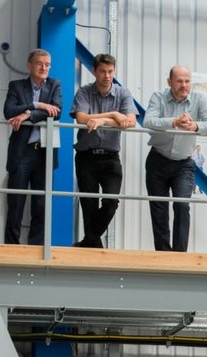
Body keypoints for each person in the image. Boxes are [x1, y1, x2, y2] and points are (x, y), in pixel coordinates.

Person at [143, 65, 207, 251]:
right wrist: (174, 121)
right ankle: (163, 254)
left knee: (182, 206)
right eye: (179, 81)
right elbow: (148, 121)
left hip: (183, 164)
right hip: (157, 161)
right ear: (169, 82)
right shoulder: (158, 97)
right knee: (159, 209)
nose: (184, 85)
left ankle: (179, 254)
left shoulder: (199, 99)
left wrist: (194, 126)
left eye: (187, 81)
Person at [70, 53, 138, 248]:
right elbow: (82, 118)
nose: (107, 76)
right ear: (94, 71)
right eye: (102, 71)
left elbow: (131, 121)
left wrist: (101, 120)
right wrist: (114, 115)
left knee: (111, 202)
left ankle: (89, 240)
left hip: (110, 158)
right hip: (86, 156)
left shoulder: (123, 93)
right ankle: (93, 244)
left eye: (110, 72)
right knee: (88, 204)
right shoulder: (84, 92)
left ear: (114, 71)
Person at [3, 48, 61, 245]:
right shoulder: (16, 86)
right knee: (16, 203)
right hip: (22, 153)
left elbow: (57, 111)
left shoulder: (54, 85)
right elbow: (9, 111)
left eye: (47, 64)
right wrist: (39, 106)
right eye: (39, 64)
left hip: (44, 153)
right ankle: (11, 247)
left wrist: (28, 114)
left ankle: (36, 249)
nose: (44, 68)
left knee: (41, 204)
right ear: (30, 66)